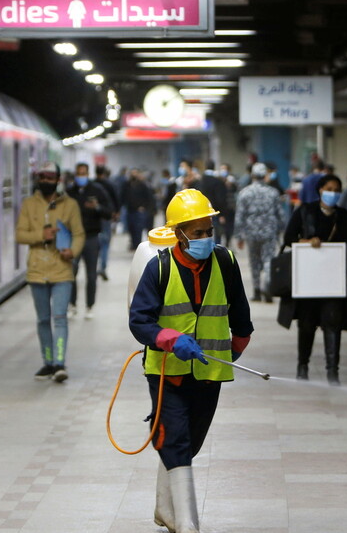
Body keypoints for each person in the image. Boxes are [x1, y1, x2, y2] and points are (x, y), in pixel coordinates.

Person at [129, 189, 253, 533]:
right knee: (176, 438)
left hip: (210, 372)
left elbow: (240, 315)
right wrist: (171, 339)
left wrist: (235, 349)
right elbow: (139, 321)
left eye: (208, 231)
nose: (205, 239)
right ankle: (187, 524)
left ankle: (164, 508)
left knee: (189, 441)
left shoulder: (225, 262)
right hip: (167, 371)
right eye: (197, 233)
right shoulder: (159, 268)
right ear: (179, 233)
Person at [279, 174, 347, 385]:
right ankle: (302, 367)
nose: (333, 193)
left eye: (337, 189)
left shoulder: (343, 215)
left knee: (333, 322)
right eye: (329, 188)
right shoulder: (305, 211)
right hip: (308, 280)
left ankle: (333, 370)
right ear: (320, 190)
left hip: (334, 280)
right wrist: (306, 241)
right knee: (307, 325)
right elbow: (288, 238)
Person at [15, 163, 85, 383]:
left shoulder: (70, 205)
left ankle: (59, 363)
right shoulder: (29, 204)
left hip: (62, 270)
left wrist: (72, 251)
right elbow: (20, 235)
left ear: (57, 180)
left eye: (50, 178)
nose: (45, 181)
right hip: (37, 270)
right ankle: (47, 363)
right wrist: (42, 235)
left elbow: (79, 234)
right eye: (42, 178)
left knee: (60, 317)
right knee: (43, 319)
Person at [234, 163, 286, 303]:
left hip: (251, 232)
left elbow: (240, 216)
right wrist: (283, 231)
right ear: (265, 176)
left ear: (252, 175)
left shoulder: (244, 193)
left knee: (254, 261)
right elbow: (280, 214)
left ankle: (257, 291)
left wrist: (239, 236)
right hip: (269, 232)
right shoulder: (273, 192)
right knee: (268, 260)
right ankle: (268, 287)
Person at [67, 163, 113, 319]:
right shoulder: (69, 193)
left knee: (91, 275)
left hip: (92, 237)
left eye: (84, 174)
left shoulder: (97, 191)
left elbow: (109, 212)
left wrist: (97, 207)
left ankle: (89, 306)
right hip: (73, 238)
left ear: (88, 174)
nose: (81, 177)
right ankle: (72, 304)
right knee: (71, 273)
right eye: (79, 174)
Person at [94, 166, 120, 281]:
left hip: (94, 218)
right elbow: (116, 199)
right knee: (105, 243)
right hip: (106, 217)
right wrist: (116, 212)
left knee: (95, 244)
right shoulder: (110, 185)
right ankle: (102, 267)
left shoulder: (92, 185)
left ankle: (93, 267)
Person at [122, 168, 157, 249]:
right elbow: (123, 196)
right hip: (130, 210)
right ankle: (133, 243)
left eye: (135, 173)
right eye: (132, 173)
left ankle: (137, 245)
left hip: (139, 211)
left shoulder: (142, 185)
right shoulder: (127, 185)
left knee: (138, 229)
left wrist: (145, 207)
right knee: (131, 228)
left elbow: (149, 197)